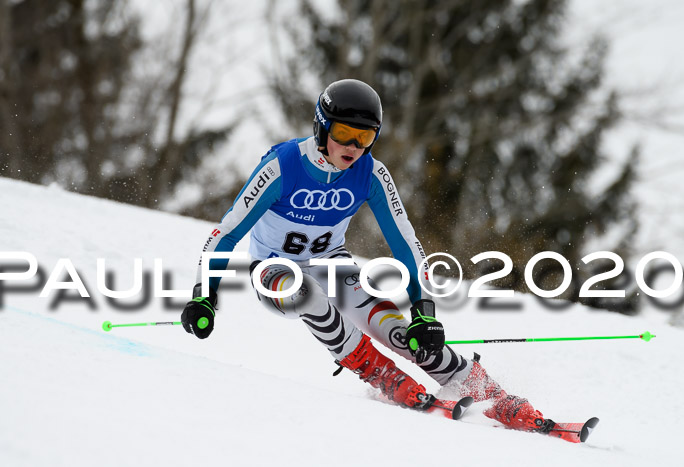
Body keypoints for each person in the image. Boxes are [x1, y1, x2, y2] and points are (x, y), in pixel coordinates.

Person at [180, 79, 550, 430]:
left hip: (332, 265)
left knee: (402, 334)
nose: (354, 146)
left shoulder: (371, 174)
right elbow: (226, 233)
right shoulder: (284, 165)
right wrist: (204, 295)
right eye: (344, 133)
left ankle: (489, 393)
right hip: (274, 269)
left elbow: (405, 243)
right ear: (321, 128)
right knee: (305, 293)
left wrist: (424, 312)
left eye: (366, 136)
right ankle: (379, 372)